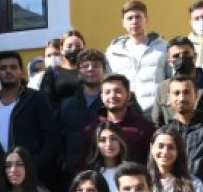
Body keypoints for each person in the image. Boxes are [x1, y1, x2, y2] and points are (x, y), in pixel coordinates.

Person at [0, 51, 58, 178]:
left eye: (13, 67)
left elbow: (51, 137)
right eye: (3, 68)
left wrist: (34, 166)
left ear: (21, 72)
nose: (8, 71)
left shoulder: (37, 99)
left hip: (30, 173)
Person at [105, 0, 168, 113]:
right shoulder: (113, 52)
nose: (134, 21)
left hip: (157, 112)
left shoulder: (164, 48)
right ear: (123, 22)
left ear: (146, 20)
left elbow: (171, 81)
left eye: (138, 17)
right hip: (126, 113)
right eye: (130, 18)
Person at [80, 73, 155, 167]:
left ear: (129, 95)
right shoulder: (92, 128)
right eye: (107, 92)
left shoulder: (145, 128)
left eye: (118, 91)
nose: (112, 96)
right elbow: (83, 165)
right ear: (101, 97)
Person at [58, 49, 108, 177]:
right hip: (71, 172)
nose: (91, 69)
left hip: (103, 169)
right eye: (85, 66)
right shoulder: (66, 104)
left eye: (96, 66)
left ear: (104, 71)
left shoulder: (111, 103)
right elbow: (59, 137)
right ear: (79, 73)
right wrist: (63, 161)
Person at [37, 29, 87, 108]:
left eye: (78, 46)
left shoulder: (89, 71)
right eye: (69, 46)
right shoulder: (52, 73)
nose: (74, 49)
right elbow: (45, 102)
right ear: (62, 49)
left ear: (84, 48)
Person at [85, 121, 130, 192]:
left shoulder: (131, 171)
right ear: (96, 145)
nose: (109, 144)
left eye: (113, 139)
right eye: (102, 140)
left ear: (121, 142)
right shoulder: (90, 174)